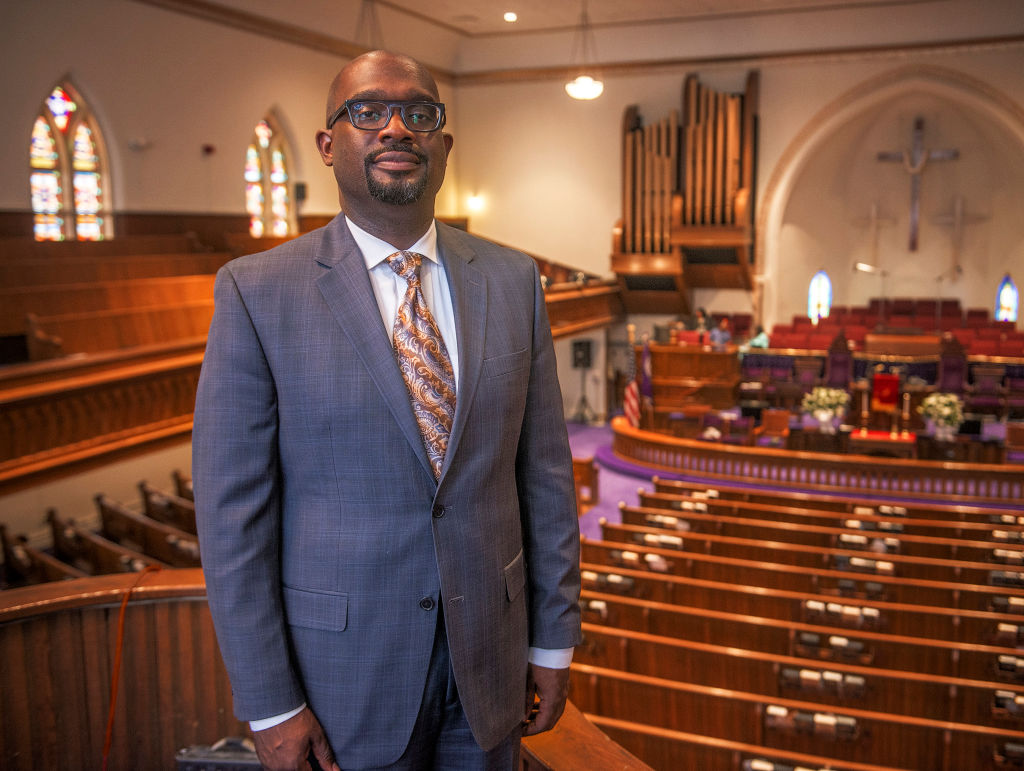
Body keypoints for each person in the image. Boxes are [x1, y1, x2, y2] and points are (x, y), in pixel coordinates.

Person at [193, 50, 582, 771]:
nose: (396, 127)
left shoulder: (513, 279)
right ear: (328, 144)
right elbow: (231, 519)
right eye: (368, 111)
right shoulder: (256, 292)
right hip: (342, 679)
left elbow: (545, 476)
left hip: (492, 667)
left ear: (444, 144)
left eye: (420, 114)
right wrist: (270, 700)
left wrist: (552, 639)